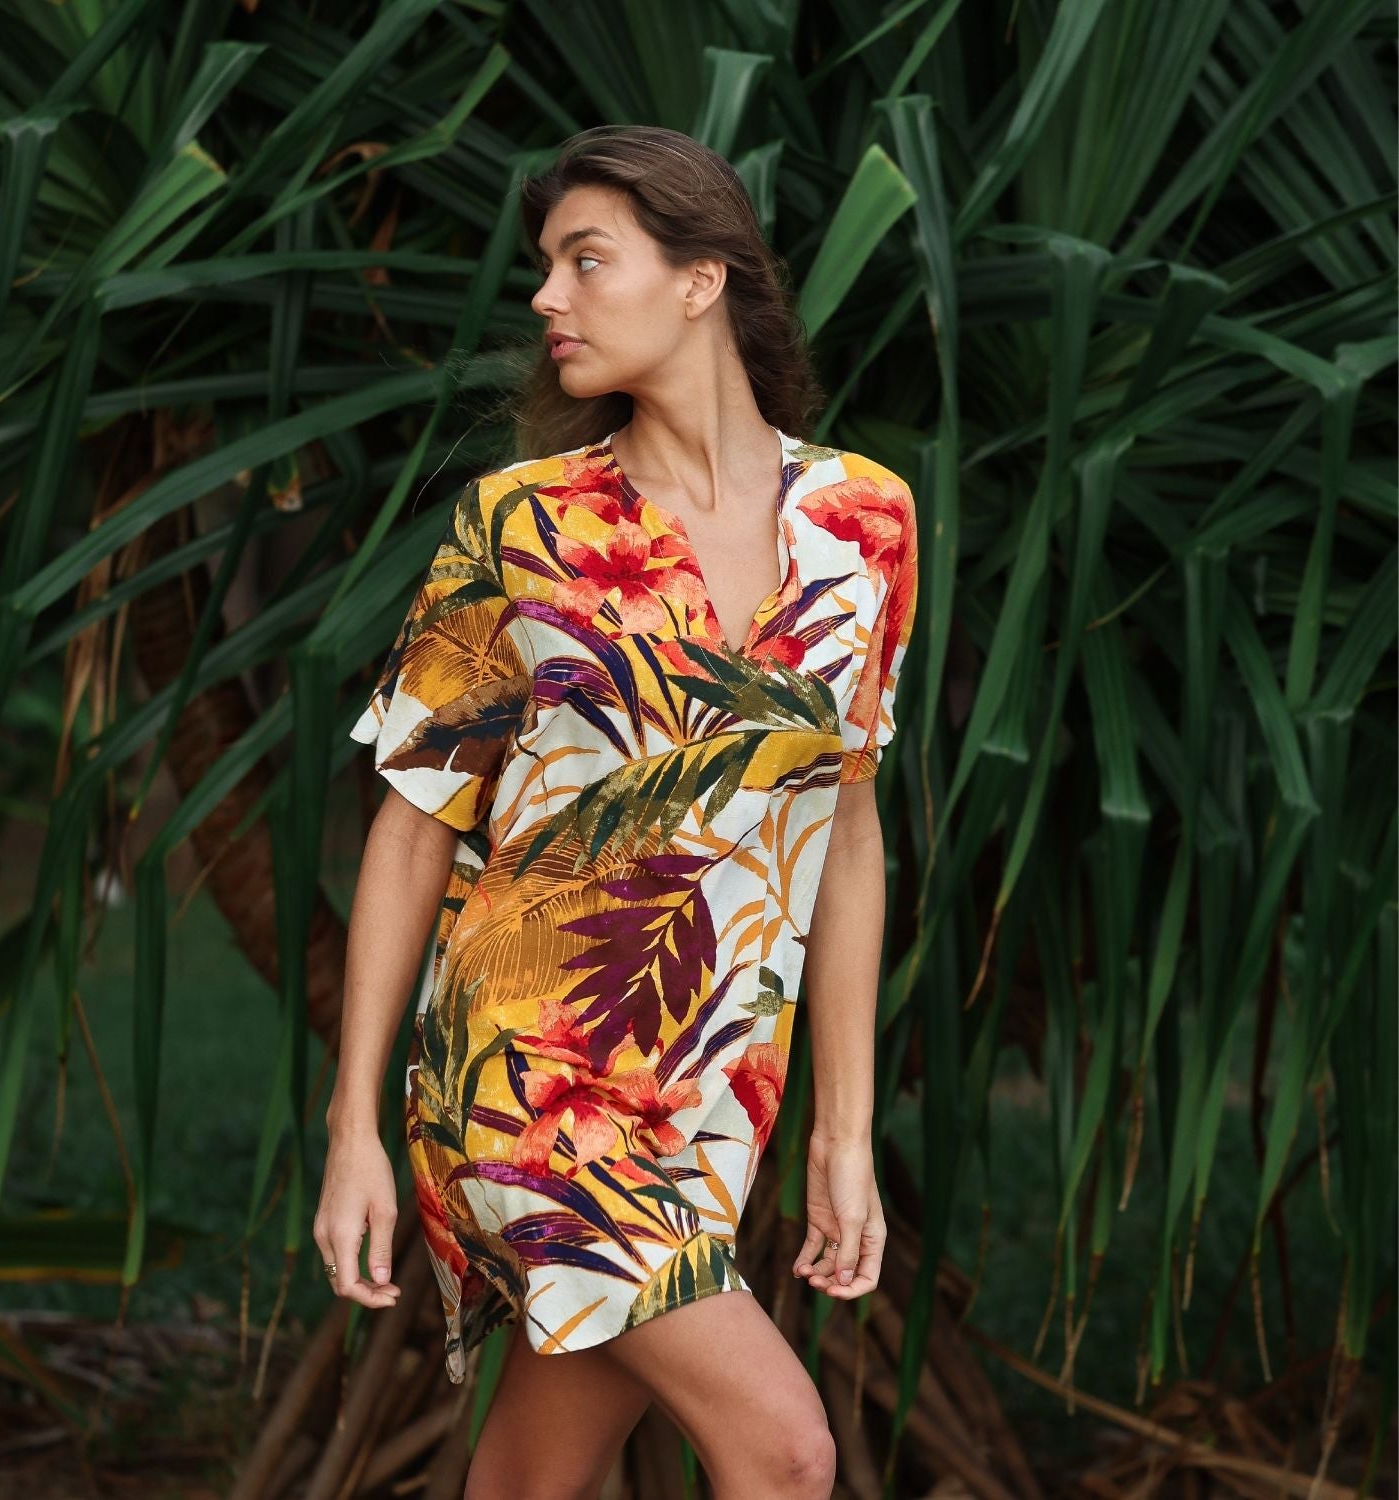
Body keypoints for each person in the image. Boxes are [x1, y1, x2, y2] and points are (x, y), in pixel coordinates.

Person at [315, 124, 919, 1500]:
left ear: (703, 281)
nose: (547, 298)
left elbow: (851, 828)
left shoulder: (867, 525)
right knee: (785, 1452)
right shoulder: (518, 525)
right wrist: (355, 1127)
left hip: (710, 1092)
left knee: (534, 1479)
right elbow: (412, 828)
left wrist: (843, 1132)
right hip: (525, 1073)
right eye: (546, 268)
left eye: (589, 262)